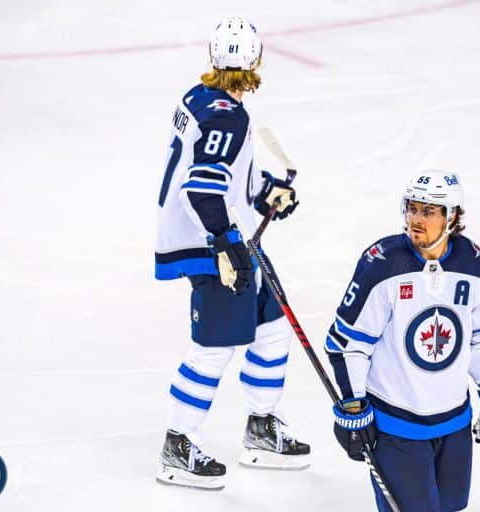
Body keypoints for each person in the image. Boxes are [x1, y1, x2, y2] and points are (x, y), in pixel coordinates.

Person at [153, 17, 309, 490]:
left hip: (217, 233)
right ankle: (178, 444)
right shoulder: (227, 116)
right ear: (257, 58)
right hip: (206, 241)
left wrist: (265, 193)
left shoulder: (201, 98)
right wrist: (224, 244)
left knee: (272, 328)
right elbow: (201, 189)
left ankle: (261, 426)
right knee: (215, 347)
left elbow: (224, 176)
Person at [325, 170, 480, 511]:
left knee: (451, 505)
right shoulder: (383, 265)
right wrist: (354, 406)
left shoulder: (474, 264)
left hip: (454, 423)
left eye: (428, 211)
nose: (415, 219)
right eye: (412, 208)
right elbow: (347, 344)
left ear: (452, 216)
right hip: (396, 427)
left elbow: (478, 338)